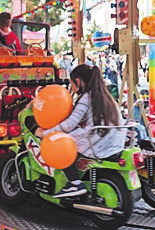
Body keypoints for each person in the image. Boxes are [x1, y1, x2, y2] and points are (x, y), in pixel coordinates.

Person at [35, 64, 127, 198]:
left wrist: (44, 133)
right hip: (115, 141)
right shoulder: (105, 95)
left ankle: (74, 182)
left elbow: (70, 124)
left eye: (72, 84)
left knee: (59, 142)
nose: (72, 88)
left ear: (78, 82)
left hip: (98, 141)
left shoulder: (86, 98)